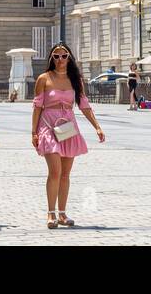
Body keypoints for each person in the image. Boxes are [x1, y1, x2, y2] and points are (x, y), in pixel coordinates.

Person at [32, 43, 105, 229]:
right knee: (54, 171)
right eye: (56, 56)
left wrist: (97, 127)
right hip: (48, 125)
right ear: (51, 59)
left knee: (65, 174)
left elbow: (84, 105)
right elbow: (37, 107)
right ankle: (51, 213)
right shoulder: (44, 78)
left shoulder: (75, 79)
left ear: (69, 58)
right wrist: (34, 132)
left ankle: (62, 213)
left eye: (64, 56)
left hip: (67, 127)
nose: (60, 60)